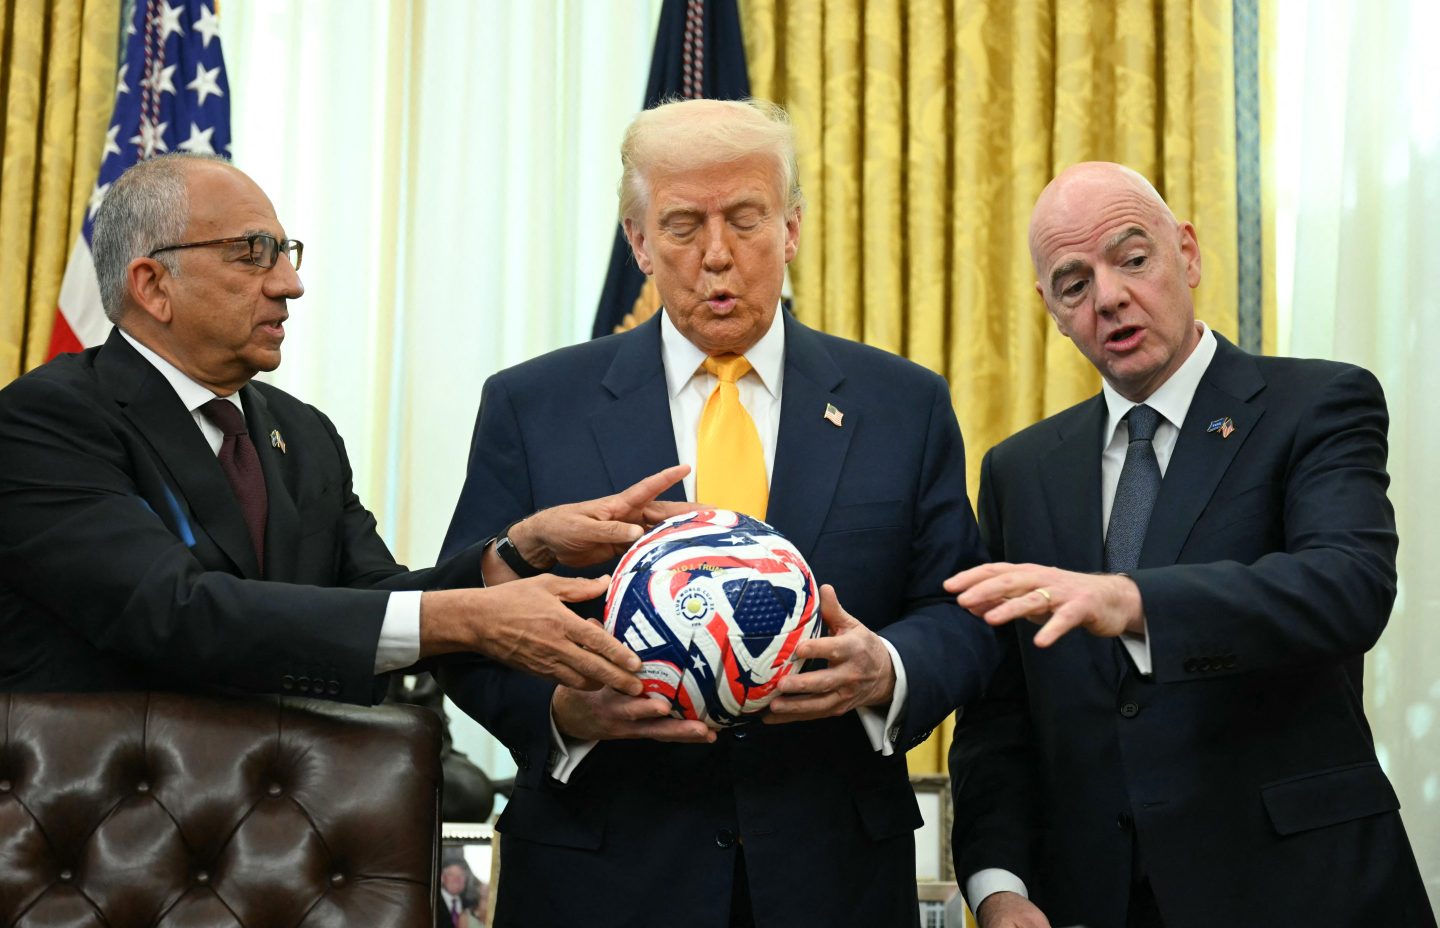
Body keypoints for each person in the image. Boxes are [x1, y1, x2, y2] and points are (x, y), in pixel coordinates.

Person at [438, 98, 997, 927]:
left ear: (793, 228)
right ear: (637, 242)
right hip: (600, 873)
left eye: (745, 220)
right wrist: (561, 713)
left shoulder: (903, 404)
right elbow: (468, 623)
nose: (716, 257)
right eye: (681, 226)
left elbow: (959, 615)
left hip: (830, 873)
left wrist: (887, 669)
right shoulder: (533, 405)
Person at [0, 153, 691, 702]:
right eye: (251, 254)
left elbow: (373, 604)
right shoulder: (48, 421)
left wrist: (515, 553)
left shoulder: (301, 435)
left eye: (284, 251)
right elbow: (174, 613)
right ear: (153, 285)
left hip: (282, 837)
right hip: (101, 839)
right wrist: (466, 620)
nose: (288, 285)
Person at [945, 162, 1434, 928]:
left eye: (1132, 258)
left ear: (1189, 254)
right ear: (1052, 311)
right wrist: (998, 885)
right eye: (1074, 284)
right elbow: (1001, 714)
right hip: (1097, 900)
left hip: (1300, 891)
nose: (1108, 296)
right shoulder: (1019, 470)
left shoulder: (1316, 403)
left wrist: (1132, 600)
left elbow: (1348, 587)